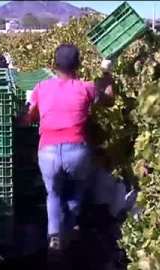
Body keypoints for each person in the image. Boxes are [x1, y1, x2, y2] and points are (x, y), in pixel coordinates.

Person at [21, 44, 115, 259]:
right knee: (74, 194)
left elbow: (27, 118)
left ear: (55, 64)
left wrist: (30, 114)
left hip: (48, 152)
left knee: (53, 195)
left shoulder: (41, 87)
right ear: (78, 65)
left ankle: (54, 238)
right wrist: (107, 75)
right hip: (77, 151)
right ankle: (68, 232)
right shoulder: (87, 87)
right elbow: (109, 101)